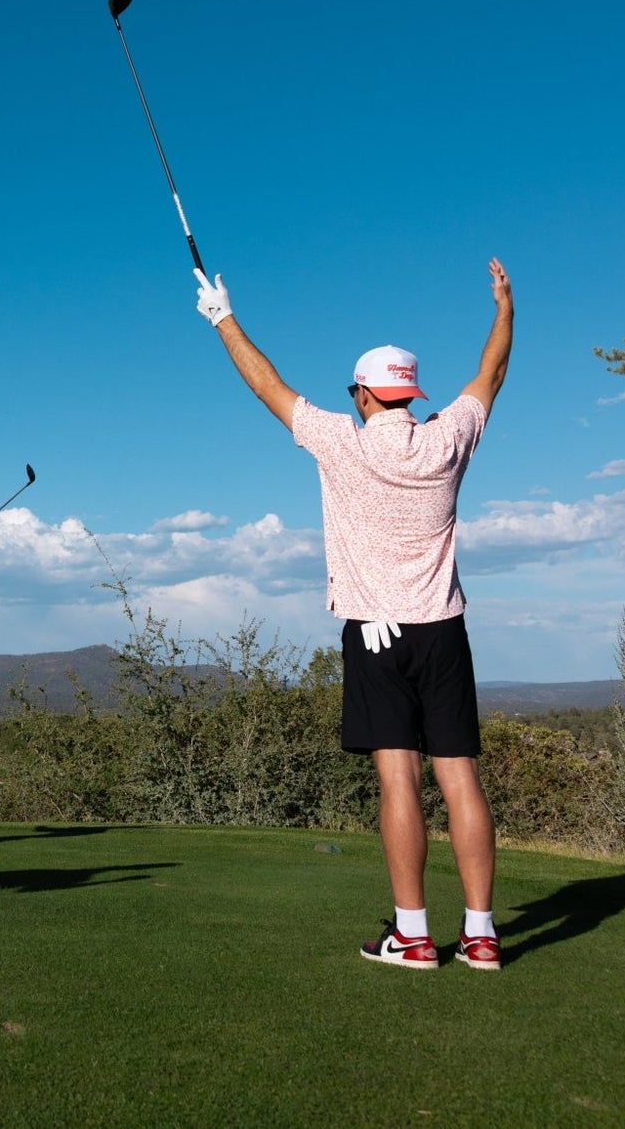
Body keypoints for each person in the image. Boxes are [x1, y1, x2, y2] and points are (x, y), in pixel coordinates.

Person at [194, 258, 514, 971]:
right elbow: (489, 374)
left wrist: (222, 317)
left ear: (367, 394)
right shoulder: (448, 438)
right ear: (410, 394)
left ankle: (413, 933)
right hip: (443, 631)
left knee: (398, 778)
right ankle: (483, 934)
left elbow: (266, 384)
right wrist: (504, 307)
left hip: (374, 635)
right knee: (459, 776)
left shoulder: (338, 440)